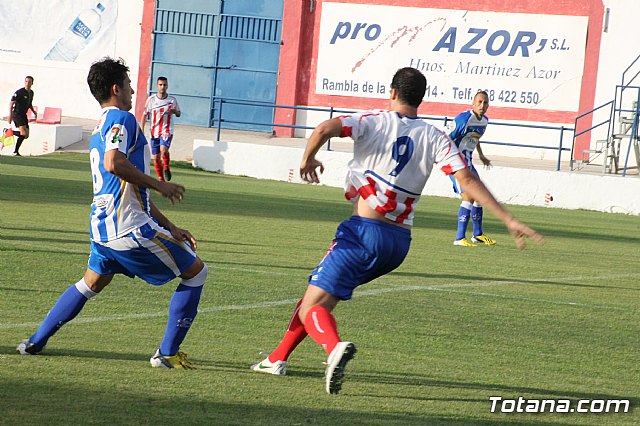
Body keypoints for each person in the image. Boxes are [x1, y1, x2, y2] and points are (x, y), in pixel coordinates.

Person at [250, 68, 543, 395]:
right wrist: (507, 219)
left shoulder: (373, 120)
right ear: (421, 98)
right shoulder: (435, 136)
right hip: (398, 245)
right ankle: (277, 359)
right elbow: (468, 181)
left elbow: (324, 128)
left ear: (392, 92)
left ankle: (333, 349)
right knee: (316, 296)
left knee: (311, 307)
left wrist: (308, 159)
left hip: (363, 233)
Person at [16, 58, 208, 369]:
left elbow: (128, 188)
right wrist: (161, 184)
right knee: (197, 272)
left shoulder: (99, 128)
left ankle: (34, 342)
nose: (133, 91)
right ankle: (166, 354)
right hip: (129, 229)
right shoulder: (123, 118)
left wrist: (170, 225)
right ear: (117, 88)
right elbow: (113, 163)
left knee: (89, 283)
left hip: (103, 230)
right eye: (129, 85)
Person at [449, 91, 495, 246]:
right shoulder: (463, 119)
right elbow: (446, 138)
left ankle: (478, 235)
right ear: (473, 103)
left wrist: (481, 155)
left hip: (468, 162)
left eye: (485, 103)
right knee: (468, 197)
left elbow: (475, 138)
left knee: (479, 195)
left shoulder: (485, 121)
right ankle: (459, 238)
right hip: (455, 162)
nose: (482, 105)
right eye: (480, 102)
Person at [141, 76, 181, 182]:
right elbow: (145, 115)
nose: (162, 87)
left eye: (164, 85)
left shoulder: (172, 100)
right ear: (157, 86)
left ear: (167, 86)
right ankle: (161, 179)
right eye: (160, 85)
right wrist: (142, 128)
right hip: (154, 132)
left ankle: (166, 167)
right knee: (156, 157)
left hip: (167, 130)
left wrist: (174, 112)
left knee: (163, 151)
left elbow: (179, 113)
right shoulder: (151, 100)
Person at [8, 76, 37, 156]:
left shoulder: (31, 93)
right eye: (26, 81)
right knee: (23, 133)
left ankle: (9, 132)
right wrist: (10, 115)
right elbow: (11, 103)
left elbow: (29, 103)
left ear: (32, 83)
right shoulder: (20, 92)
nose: (27, 83)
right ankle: (15, 151)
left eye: (29, 82)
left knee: (26, 135)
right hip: (17, 114)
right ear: (24, 82)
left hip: (24, 114)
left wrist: (33, 111)